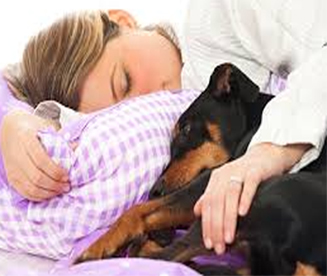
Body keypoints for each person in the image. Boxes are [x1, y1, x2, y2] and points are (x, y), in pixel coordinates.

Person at [1, 0, 326, 257]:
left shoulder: (215, 15)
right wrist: (15, 124)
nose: (147, 98)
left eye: (124, 81)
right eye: (126, 110)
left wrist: (265, 155)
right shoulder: (193, 103)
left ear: (124, 21)